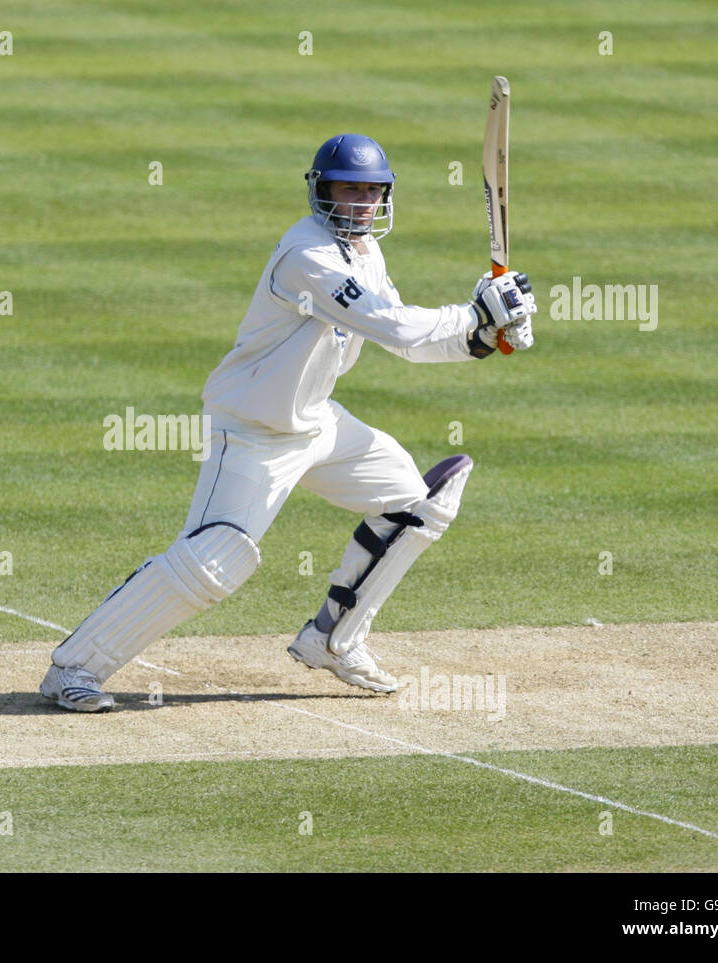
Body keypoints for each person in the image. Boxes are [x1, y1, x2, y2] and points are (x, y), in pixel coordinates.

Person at [40, 133, 537, 712]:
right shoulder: (308, 256)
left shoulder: (367, 254)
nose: (359, 202)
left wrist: (480, 338)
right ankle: (75, 669)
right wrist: (474, 311)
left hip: (316, 422)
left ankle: (333, 638)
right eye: (347, 189)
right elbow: (394, 325)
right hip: (252, 428)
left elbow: (407, 342)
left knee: (418, 503)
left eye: (370, 191)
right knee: (216, 559)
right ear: (321, 190)